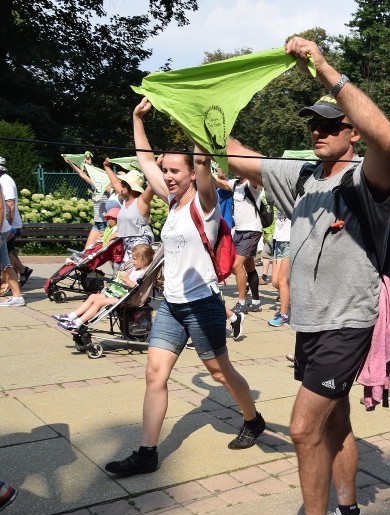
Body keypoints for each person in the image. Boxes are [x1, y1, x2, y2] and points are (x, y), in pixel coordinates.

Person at [225, 36, 390, 515]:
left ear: (350, 130)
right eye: (314, 126)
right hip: (311, 321)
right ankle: (349, 512)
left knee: (302, 428)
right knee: (334, 420)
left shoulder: (368, 178)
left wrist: (323, 67)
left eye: (330, 125)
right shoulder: (302, 175)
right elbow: (236, 156)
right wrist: (203, 111)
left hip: (349, 321)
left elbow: (387, 137)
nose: (319, 133)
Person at [103, 97, 266, 477]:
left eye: (176, 170)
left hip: (202, 304)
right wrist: (136, 117)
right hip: (172, 306)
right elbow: (145, 161)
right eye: (166, 171)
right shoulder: (173, 202)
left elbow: (204, 161)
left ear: (193, 173)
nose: (169, 175)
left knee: (219, 372)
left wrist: (196, 121)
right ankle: (147, 453)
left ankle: (253, 419)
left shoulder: (206, 204)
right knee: (154, 375)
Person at [53, 243, 154, 331]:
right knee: (92, 297)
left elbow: (136, 288)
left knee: (98, 302)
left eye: (135, 259)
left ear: (144, 260)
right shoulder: (135, 269)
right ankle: (71, 316)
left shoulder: (142, 273)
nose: (132, 261)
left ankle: (78, 323)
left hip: (125, 298)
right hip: (118, 294)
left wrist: (126, 279)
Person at [103, 158, 155, 261]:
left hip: (141, 243)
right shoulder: (125, 199)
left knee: (132, 274)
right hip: (128, 242)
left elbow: (152, 184)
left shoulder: (141, 201)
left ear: (131, 186)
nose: (120, 185)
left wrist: (156, 166)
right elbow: (115, 182)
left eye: (124, 183)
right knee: (124, 273)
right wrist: (106, 167)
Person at [64, 152, 116, 248]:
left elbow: (99, 178)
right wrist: (70, 163)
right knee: (87, 251)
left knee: (104, 252)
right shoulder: (97, 186)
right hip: (97, 223)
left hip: (106, 224)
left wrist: (90, 166)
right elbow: (82, 174)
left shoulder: (111, 190)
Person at [230, 175, 265, 313]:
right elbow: (217, 182)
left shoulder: (252, 184)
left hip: (252, 230)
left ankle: (242, 303)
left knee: (235, 265)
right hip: (238, 231)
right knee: (249, 267)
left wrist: (245, 165)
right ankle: (256, 302)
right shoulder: (235, 184)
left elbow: (256, 178)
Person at [0, 157, 32, 289]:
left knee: (6, 254)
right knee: (7, 253)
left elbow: (10, 206)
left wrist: (9, 227)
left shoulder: (4, 181)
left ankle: (9, 281)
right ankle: (23, 272)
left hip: (8, 225)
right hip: (7, 225)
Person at [268, 205, 292, 327]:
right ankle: (291, 300)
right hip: (279, 241)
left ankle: (284, 315)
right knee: (275, 282)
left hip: (290, 241)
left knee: (282, 281)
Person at [0, 191, 25, 307]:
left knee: (5, 263)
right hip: (3, 229)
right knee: (6, 263)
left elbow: (1, 208)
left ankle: (17, 297)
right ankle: (17, 297)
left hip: (1, 230)